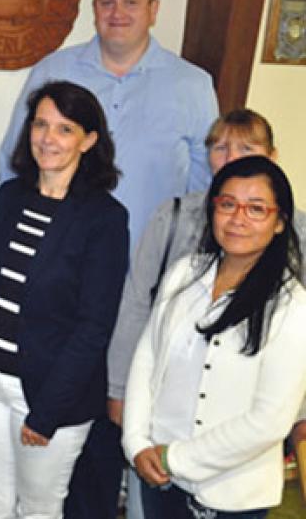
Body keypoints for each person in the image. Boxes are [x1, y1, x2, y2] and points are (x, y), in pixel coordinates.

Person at [0, 0, 219, 515]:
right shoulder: (54, 70)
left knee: (119, 425)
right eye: (106, 3)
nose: (117, 13)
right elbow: (15, 166)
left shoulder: (193, 85)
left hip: (147, 292)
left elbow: (205, 191)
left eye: (130, 2)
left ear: (154, 8)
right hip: (61, 287)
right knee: (61, 426)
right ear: (92, 8)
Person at [0, 81, 128, 518]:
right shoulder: (10, 197)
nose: (48, 138)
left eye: (65, 129)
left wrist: (48, 412)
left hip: (49, 393)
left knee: (39, 510)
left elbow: (93, 328)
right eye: (41, 124)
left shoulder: (105, 219)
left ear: (89, 140)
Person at [108, 109, 306, 447]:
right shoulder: (174, 216)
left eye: (247, 149)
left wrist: (299, 413)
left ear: (272, 156)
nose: (231, 159)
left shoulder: (296, 231)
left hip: (247, 405)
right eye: (220, 148)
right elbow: (137, 303)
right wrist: (119, 388)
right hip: (167, 389)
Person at [122, 155, 306, 518]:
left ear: (280, 222)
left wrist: (174, 458)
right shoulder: (184, 274)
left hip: (233, 494)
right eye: (227, 204)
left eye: (256, 209)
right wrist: (137, 443)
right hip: (159, 476)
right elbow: (147, 359)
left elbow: (270, 420)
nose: (238, 219)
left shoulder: (293, 306)